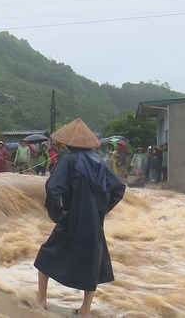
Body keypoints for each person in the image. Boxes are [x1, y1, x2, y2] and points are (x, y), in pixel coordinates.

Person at [34, 118, 125, 318]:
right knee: (92, 263)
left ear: (67, 142)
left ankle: (41, 300)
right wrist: (100, 209)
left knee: (46, 256)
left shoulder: (69, 160)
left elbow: (53, 188)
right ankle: (85, 310)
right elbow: (118, 188)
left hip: (73, 220)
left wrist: (60, 213)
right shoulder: (99, 161)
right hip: (93, 223)